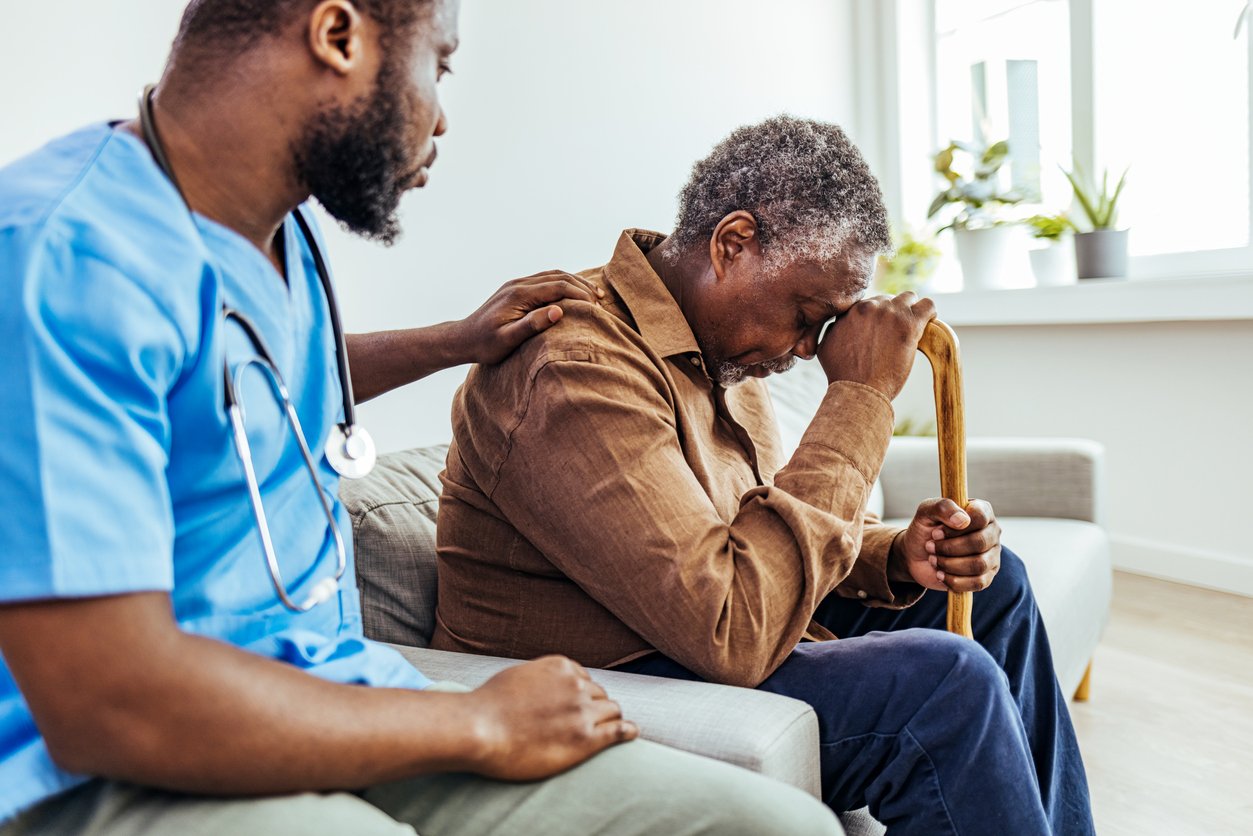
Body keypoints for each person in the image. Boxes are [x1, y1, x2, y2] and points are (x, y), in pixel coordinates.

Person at [0, 2, 843, 834]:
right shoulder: (58, 256)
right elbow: (105, 704)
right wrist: (477, 721)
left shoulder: (280, 233)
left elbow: (247, 381)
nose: (441, 119)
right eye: (437, 66)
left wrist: (453, 341)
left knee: (767, 825)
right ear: (338, 36)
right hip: (111, 764)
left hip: (331, 692)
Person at [434, 116, 1098, 835]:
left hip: (698, 623)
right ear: (732, 244)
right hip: (613, 669)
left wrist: (896, 555)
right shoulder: (573, 370)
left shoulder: (720, 352)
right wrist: (861, 397)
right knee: (942, 686)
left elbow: (760, 537)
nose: (805, 350)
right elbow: (731, 625)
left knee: (997, 588)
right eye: (807, 316)